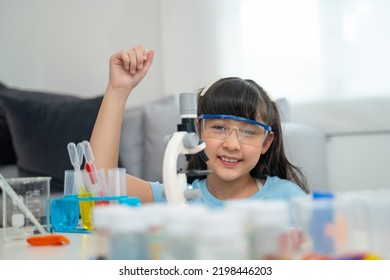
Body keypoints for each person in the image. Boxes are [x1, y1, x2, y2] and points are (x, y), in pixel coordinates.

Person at [90, 44, 309, 207]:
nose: (232, 144)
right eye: (219, 128)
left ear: (266, 142)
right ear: (198, 130)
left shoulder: (287, 199)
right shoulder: (176, 196)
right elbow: (99, 183)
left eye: (249, 131)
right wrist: (118, 91)